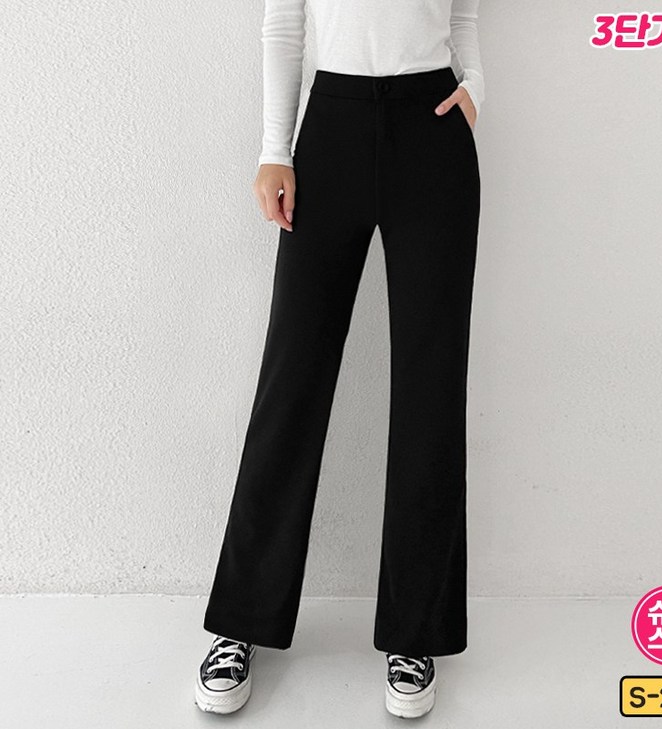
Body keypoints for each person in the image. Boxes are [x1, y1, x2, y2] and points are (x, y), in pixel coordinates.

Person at [194, 0, 484, 719]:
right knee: (292, 378)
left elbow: (465, 16)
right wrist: (274, 148)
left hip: (433, 129)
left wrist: (475, 85)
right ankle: (242, 618)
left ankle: (415, 632)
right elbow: (283, 24)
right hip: (331, 128)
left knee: (430, 387)